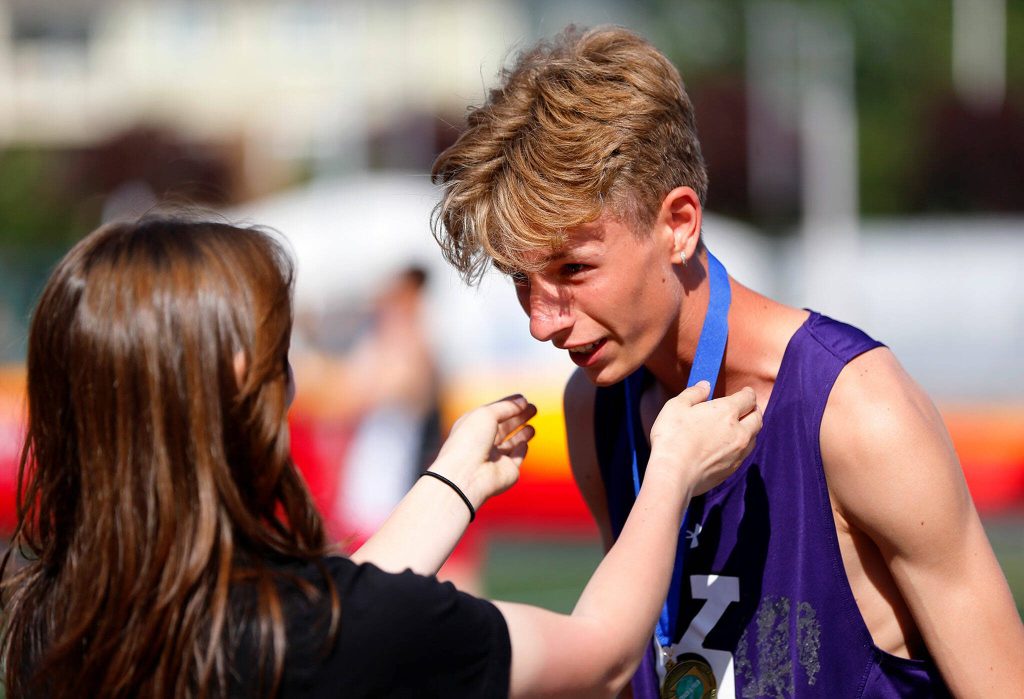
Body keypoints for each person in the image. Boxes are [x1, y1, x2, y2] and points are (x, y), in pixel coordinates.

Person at [431, 25, 1024, 698]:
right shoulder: (594, 406)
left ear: (680, 223)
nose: (541, 322)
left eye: (573, 268)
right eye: (521, 281)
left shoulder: (857, 412)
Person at [0, 215, 760, 698]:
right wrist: (671, 472)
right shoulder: (303, 635)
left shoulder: (49, 614)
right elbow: (597, 658)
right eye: (280, 358)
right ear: (236, 386)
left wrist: (451, 484)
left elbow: (339, 608)